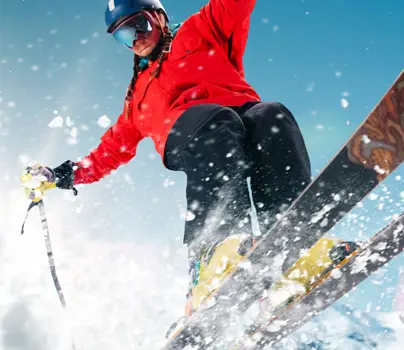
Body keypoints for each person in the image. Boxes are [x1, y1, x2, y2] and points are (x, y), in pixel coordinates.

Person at [20, 0, 356, 333]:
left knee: (272, 116)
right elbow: (111, 150)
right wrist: (61, 174)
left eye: (139, 25)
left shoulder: (201, 30)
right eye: (122, 36)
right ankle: (213, 254)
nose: (134, 39)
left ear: (159, 18)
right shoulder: (137, 98)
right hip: (194, 133)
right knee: (216, 121)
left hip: (243, 118)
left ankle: (292, 247)